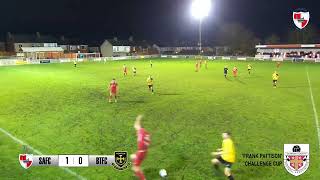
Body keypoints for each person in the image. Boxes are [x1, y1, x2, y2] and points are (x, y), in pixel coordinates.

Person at [131, 115, 151, 180]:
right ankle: (136, 172)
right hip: (144, 151)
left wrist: (138, 118)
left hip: (141, 153)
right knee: (132, 156)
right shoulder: (146, 133)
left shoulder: (140, 131)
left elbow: (136, 125)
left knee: (135, 167)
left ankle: (142, 178)